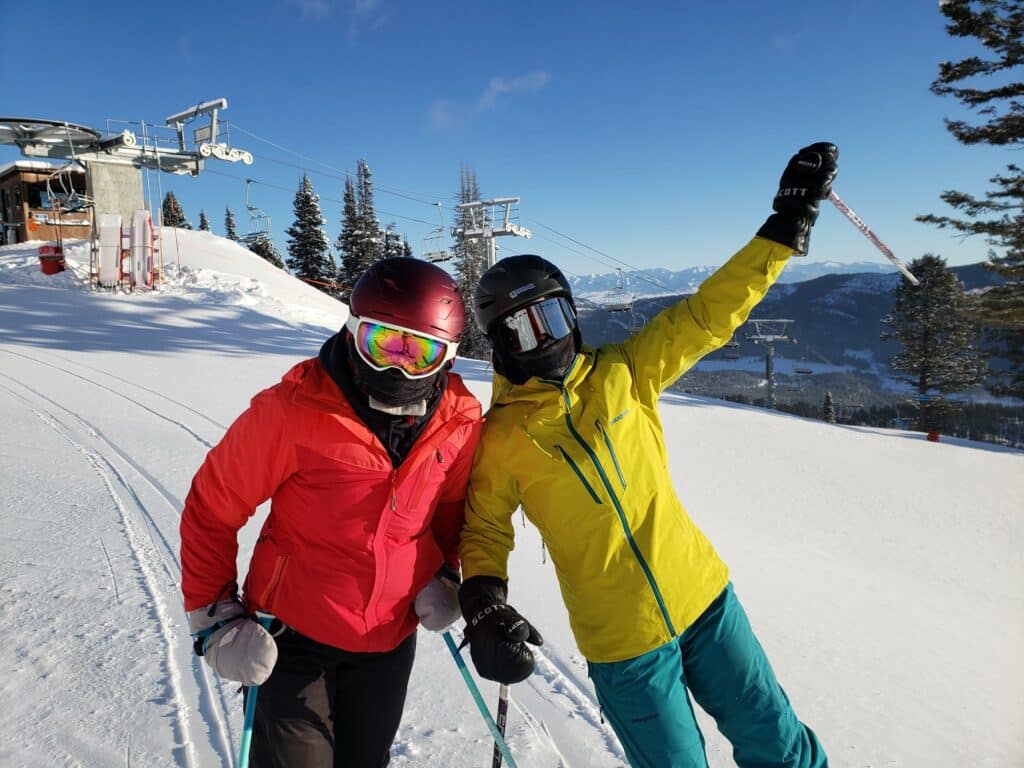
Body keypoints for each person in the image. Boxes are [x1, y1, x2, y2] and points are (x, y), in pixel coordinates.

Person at [457, 143, 838, 767]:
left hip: (706, 602)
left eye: (549, 317)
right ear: (498, 344)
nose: (541, 339)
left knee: (780, 745)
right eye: (519, 329)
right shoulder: (501, 439)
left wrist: (784, 225)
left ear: (571, 315)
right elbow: (484, 528)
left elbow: (707, 315)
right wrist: (484, 603)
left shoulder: (624, 373)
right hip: (623, 648)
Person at [180, 257, 482, 768]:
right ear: (352, 333)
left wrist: (446, 572)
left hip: (388, 642)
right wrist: (215, 618)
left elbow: (452, 508)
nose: (395, 367)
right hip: (291, 638)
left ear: (447, 360)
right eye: (382, 343)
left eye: (418, 353)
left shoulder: (459, 421)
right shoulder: (293, 410)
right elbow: (212, 506)